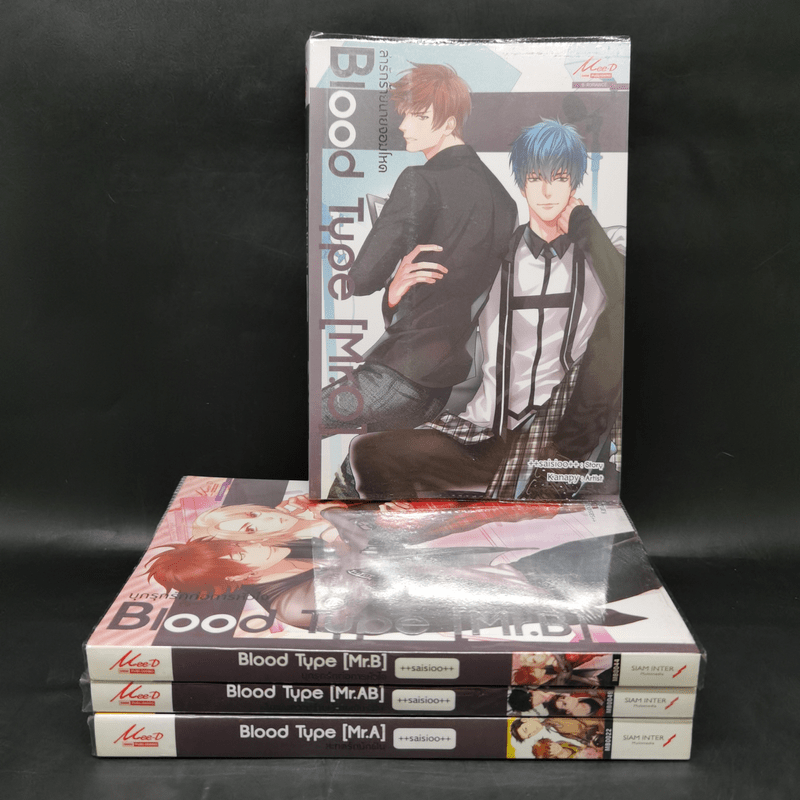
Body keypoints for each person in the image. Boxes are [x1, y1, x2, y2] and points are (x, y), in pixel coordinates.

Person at [347, 119, 625, 501]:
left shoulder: (601, 254)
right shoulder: (496, 254)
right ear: (522, 183)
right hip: (486, 434)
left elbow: (627, 301)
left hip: (559, 437)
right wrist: (393, 296)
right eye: (535, 178)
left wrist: (584, 226)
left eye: (559, 178)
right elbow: (437, 316)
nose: (546, 192)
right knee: (369, 453)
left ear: (573, 184)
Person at [321, 63, 517, 438]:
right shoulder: (505, 202)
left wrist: (391, 288)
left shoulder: (420, 180)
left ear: (448, 123)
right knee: (361, 468)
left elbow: (361, 279)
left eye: (419, 116)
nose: (403, 126)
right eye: (404, 114)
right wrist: (396, 294)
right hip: (443, 387)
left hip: (400, 373)